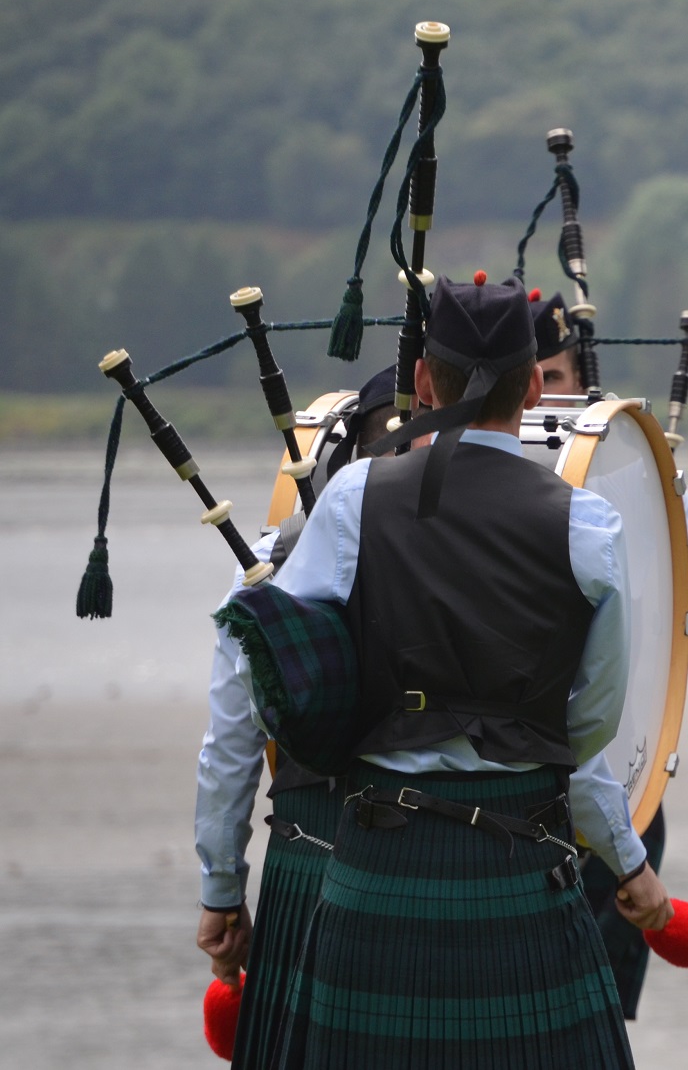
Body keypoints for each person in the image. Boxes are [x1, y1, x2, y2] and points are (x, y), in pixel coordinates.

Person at [265, 276, 665, 1068]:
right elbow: (590, 729)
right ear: (530, 389)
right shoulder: (586, 524)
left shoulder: (350, 498)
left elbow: (286, 674)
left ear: (421, 383)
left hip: (374, 866)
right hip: (521, 863)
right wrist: (630, 863)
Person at [529, 288, 688, 1019]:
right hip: (508, 797)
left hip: (621, 787)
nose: (543, 396)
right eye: (529, 380)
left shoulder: (628, 470)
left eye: (556, 378)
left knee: (598, 1021)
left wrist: (644, 647)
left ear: (577, 380)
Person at [194, 366, 398, 1069]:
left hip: (312, 858)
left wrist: (222, 887)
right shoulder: (493, 540)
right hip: (466, 853)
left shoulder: (265, 565)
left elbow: (229, 748)